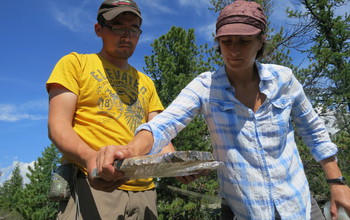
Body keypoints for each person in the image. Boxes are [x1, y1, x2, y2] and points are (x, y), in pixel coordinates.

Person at [96, 0, 350, 219]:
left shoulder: (284, 80)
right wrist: (128, 151)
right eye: (227, 42)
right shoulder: (205, 87)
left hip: (299, 205)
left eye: (244, 41)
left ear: (261, 41)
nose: (235, 51)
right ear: (218, 42)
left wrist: (336, 183)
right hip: (243, 209)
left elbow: (314, 131)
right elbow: (163, 125)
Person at [46, 0, 174, 219]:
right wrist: (91, 159)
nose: (127, 35)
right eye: (118, 27)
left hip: (145, 193)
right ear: (99, 29)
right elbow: (57, 125)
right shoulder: (75, 64)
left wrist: (180, 166)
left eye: (133, 28)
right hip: (93, 185)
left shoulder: (147, 82)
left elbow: (160, 138)